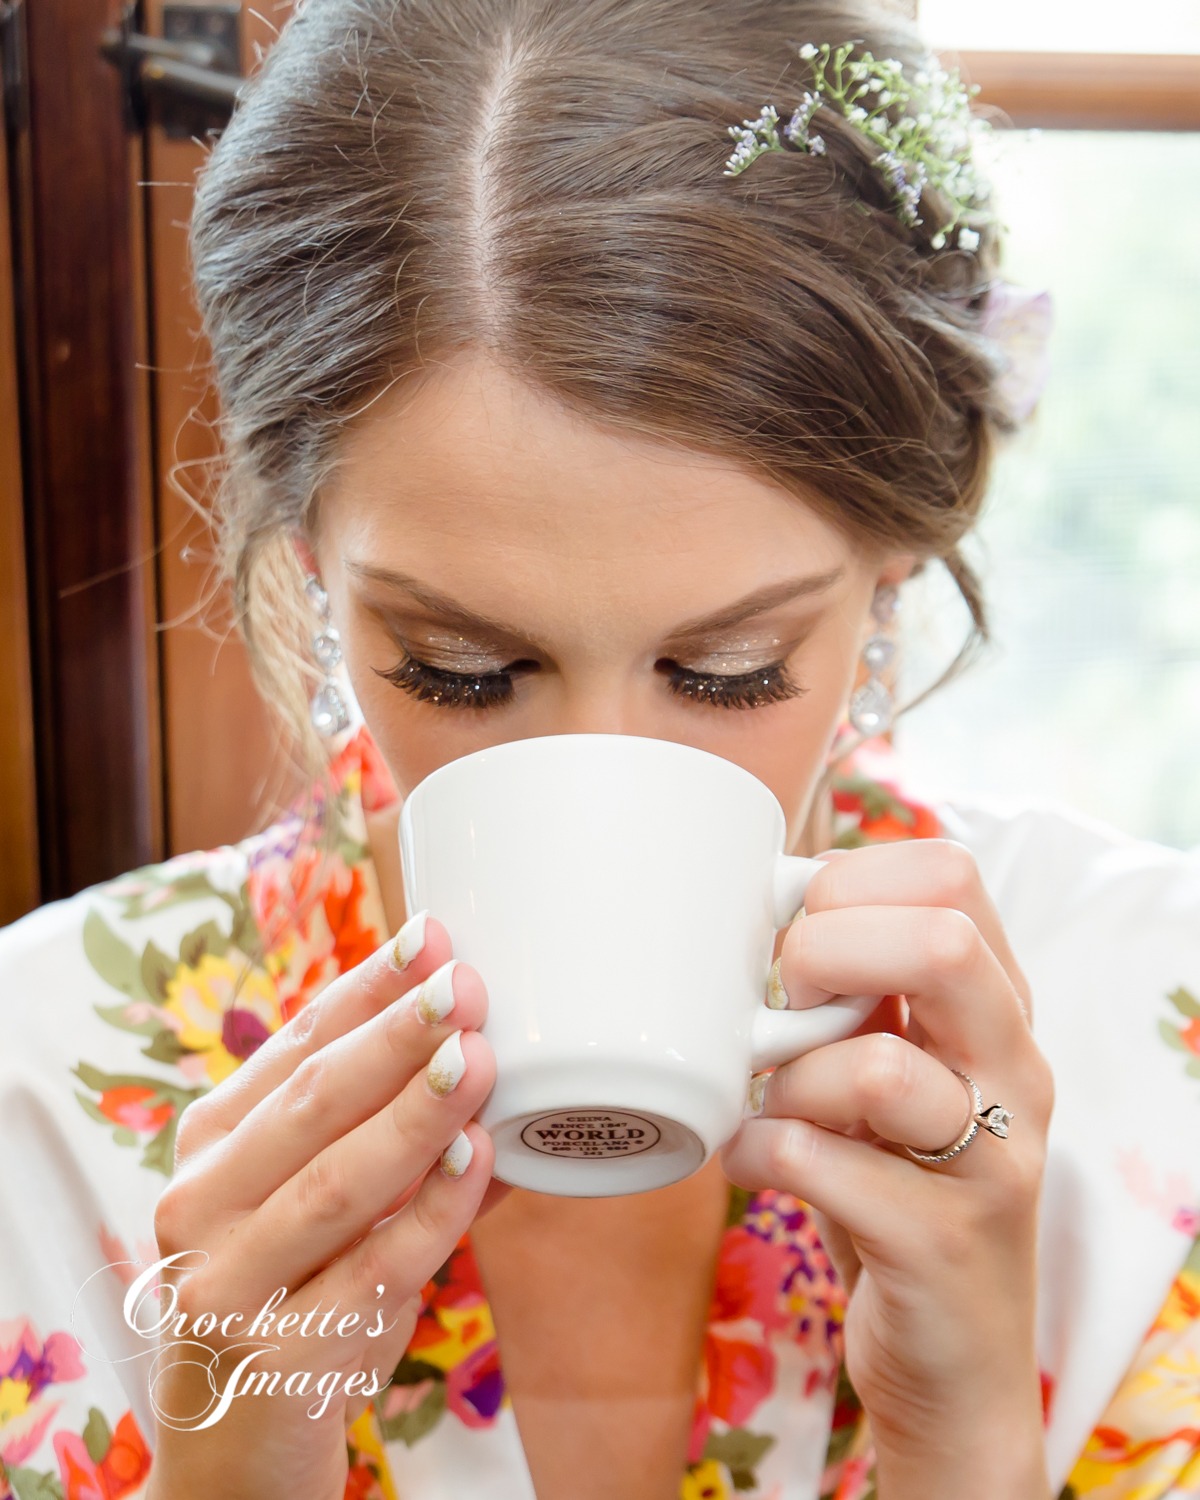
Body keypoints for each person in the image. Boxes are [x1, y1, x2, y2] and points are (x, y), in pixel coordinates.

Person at [2, 1, 1198, 1497]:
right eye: (463, 667)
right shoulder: (44, 1089)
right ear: (312, 558)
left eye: (729, 669)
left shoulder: (1154, 1038)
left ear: (895, 562)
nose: (604, 768)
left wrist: (964, 1436)